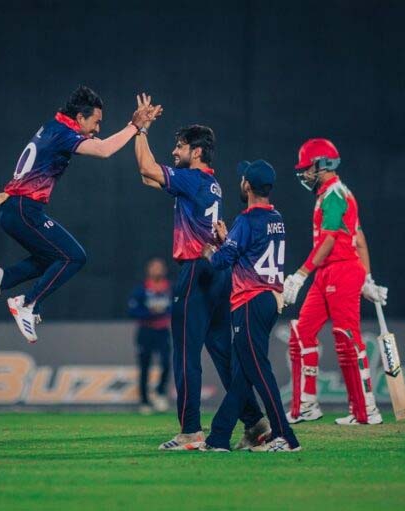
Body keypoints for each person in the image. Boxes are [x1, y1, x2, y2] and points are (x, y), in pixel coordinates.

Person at [133, 94, 268, 451]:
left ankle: (191, 431)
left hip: (195, 271)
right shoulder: (212, 183)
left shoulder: (192, 180)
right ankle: (256, 423)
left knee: (185, 354)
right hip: (219, 272)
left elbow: (147, 168)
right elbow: (148, 176)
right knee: (223, 353)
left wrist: (140, 128)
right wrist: (144, 148)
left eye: (179, 146)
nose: (174, 151)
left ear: (196, 152)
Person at [0, 86, 160, 343]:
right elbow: (104, 150)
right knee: (74, 257)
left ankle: (0, 278)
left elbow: (97, 145)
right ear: (80, 117)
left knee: (53, 258)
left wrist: (137, 129)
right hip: (23, 209)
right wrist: (134, 125)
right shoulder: (62, 132)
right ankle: (27, 303)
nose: (98, 128)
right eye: (96, 122)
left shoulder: (55, 127)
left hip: (14, 209)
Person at [281, 138, 389, 425]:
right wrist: (367, 277)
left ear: (322, 165)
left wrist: (301, 274)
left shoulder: (334, 195)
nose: (304, 174)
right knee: (302, 332)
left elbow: (329, 240)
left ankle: (366, 410)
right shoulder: (332, 194)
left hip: (341, 270)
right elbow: (360, 239)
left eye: (307, 168)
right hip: (328, 272)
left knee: (347, 338)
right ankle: (307, 405)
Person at [199, 160, 301, 452]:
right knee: (244, 374)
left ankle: (285, 436)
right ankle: (219, 437)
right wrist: (229, 240)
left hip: (249, 302)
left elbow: (222, 262)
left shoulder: (246, 220)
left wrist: (211, 250)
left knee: (258, 370)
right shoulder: (276, 218)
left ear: (247, 185)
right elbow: (249, 253)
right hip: (269, 301)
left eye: (242, 179)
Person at [127, 258, 172, 414]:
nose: (157, 270)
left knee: (166, 362)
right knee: (144, 365)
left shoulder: (169, 288)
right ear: (149, 270)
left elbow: (176, 307)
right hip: (145, 331)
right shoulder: (142, 289)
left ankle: (160, 393)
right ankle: (144, 401)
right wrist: (150, 313)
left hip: (162, 331)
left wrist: (165, 312)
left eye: (160, 267)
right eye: (154, 267)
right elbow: (132, 310)